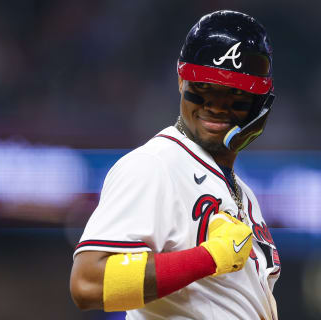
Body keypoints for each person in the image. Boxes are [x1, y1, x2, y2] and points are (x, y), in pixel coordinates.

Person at [70, 10, 281, 320]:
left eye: (235, 93)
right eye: (204, 86)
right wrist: (209, 257)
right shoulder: (155, 164)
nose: (215, 104)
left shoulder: (244, 195)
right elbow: (88, 282)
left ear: (260, 101)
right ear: (181, 79)